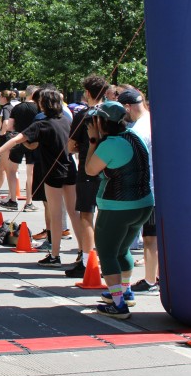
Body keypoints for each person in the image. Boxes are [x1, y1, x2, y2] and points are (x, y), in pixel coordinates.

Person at [0, 87, 79, 268]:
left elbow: (15, 140)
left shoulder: (42, 124)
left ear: (43, 104)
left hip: (52, 173)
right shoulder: (66, 120)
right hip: (70, 169)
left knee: (56, 215)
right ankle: (83, 254)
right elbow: (72, 146)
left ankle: (55, 256)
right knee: (74, 213)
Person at [84, 100, 154, 319]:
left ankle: (118, 304)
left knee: (107, 253)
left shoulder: (110, 144)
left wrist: (93, 141)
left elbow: (90, 170)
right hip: (143, 204)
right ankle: (125, 291)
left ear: (102, 122)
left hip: (117, 207)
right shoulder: (134, 136)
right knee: (122, 250)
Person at [65, 75, 108, 278]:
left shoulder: (84, 115)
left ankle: (86, 261)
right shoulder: (112, 113)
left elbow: (70, 146)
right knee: (107, 216)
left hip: (88, 168)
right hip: (110, 168)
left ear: (88, 93)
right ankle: (107, 259)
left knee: (86, 215)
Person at [118, 88, 158, 293]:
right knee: (156, 236)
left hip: (147, 188)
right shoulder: (154, 120)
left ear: (127, 107)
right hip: (158, 186)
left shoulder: (138, 131)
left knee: (150, 237)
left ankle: (151, 280)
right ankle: (157, 277)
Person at [3, 86, 40, 211]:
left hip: (18, 140)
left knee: (12, 170)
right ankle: (29, 202)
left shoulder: (17, 107)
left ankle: (13, 200)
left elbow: (9, 126)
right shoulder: (39, 108)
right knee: (31, 172)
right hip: (34, 141)